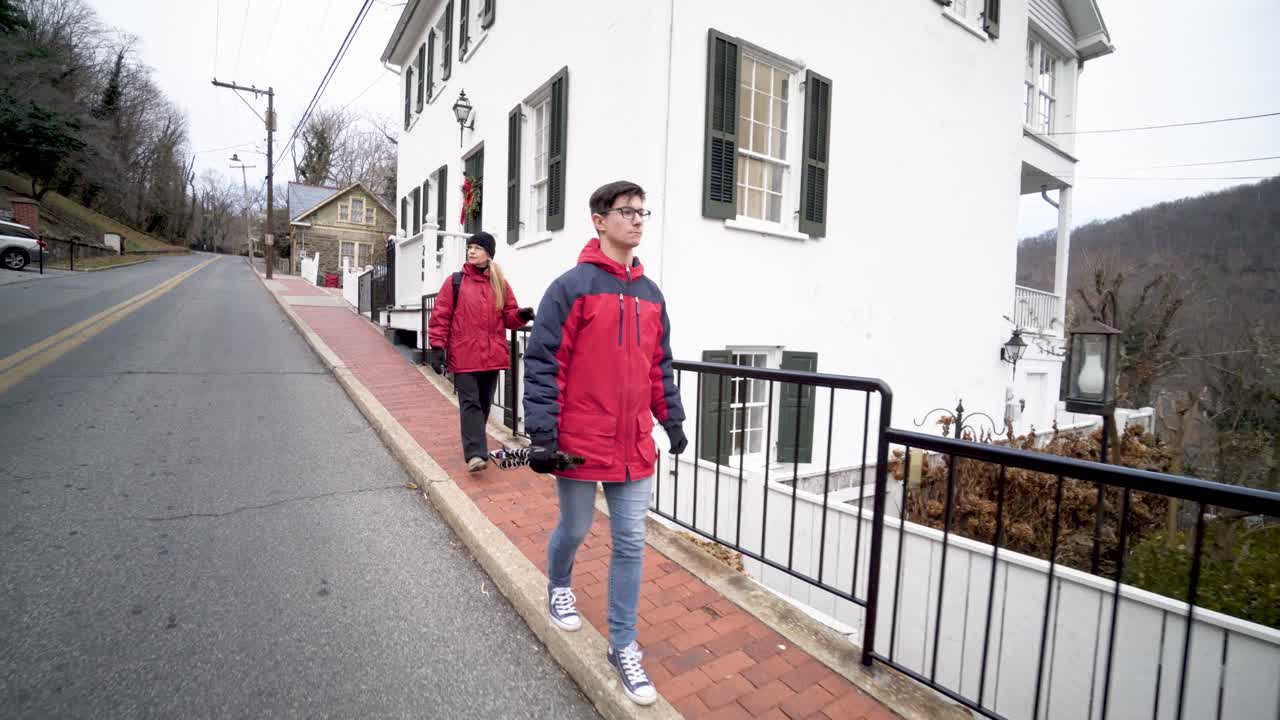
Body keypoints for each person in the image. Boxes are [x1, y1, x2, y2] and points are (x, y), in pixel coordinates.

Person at [522, 181, 686, 706]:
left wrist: (672, 420)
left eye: (643, 212)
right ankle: (560, 584)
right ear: (599, 220)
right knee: (575, 526)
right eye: (626, 212)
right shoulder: (570, 288)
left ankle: (621, 645)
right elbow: (545, 362)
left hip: (634, 443)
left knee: (632, 541)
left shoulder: (652, 295)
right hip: (577, 439)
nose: (637, 220)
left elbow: (659, 366)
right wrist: (543, 435)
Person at [427, 231, 534, 472]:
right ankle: (476, 454)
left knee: (484, 404)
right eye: (470, 247)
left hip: (492, 356)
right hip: (464, 355)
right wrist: (437, 347)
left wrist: (522, 316)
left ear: (489, 253)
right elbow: (441, 316)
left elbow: (509, 317)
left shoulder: (500, 283)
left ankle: (476, 443)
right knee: (471, 404)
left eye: (477, 247)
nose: (471, 251)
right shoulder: (455, 282)